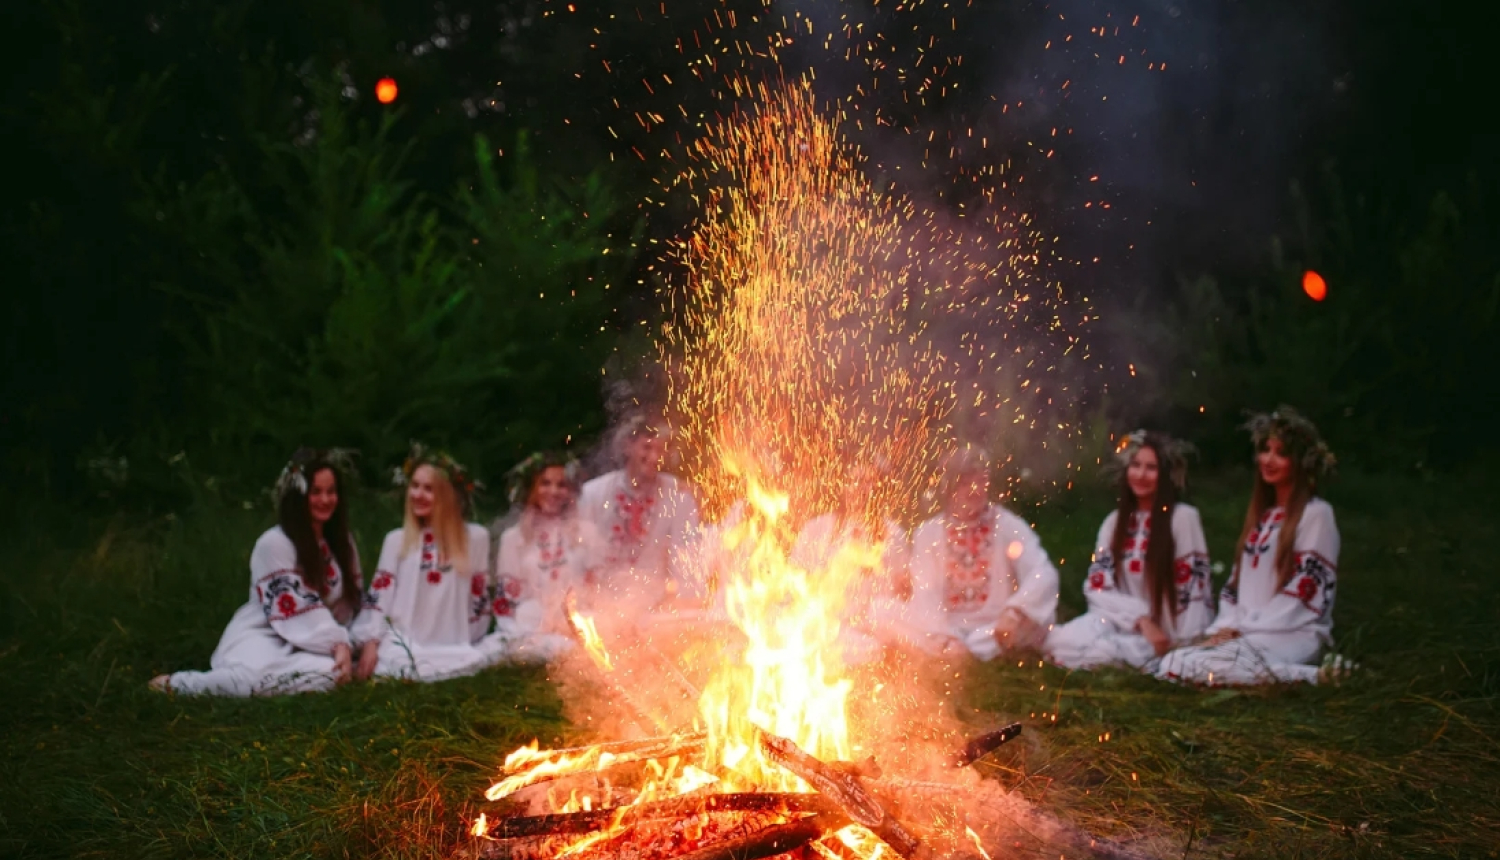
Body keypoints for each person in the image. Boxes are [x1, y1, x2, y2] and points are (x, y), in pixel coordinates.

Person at [150, 449, 372, 695]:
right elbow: (296, 607)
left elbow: (352, 603)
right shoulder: (274, 543)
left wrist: (360, 641)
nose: (325, 500)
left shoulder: (342, 543)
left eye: (331, 492)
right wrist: (337, 642)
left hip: (314, 645)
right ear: (298, 495)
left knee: (333, 675)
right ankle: (179, 685)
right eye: (316, 492)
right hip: (267, 634)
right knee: (248, 682)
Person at [1156, 407, 1340, 685]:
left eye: (1281, 453)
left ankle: (1313, 676)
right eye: (1265, 450)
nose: (1269, 459)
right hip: (1249, 633)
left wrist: (1245, 627)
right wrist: (1226, 627)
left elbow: (1307, 592)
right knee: (1173, 662)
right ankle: (1302, 675)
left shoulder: (1316, 514)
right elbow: (1235, 586)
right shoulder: (1263, 518)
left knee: (1194, 667)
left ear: (1301, 462)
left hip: (1293, 633)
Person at [1046, 431, 1213, 670]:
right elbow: (1097, 587)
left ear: (1165, 475)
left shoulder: (1183, 518)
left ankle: (1162, 659)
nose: (1141, 475)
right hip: (1122, 623)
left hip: (1164, 634)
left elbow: (1195, 590)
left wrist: (1188, 644)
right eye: (1135, 465)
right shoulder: (1114, 522)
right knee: (1060, 640)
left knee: (1101, 652)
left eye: (1151, 468)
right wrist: (1139, 619)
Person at [893, 446, 1059, 660]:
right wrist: (944, 634)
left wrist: (1015, 612)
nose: (975, 490)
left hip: (995, 628)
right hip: (946, 628)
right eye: (965, 484)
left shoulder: (1008, 525)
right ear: (948, 488)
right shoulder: (928, 532)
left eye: (981, 481)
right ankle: (952, 648)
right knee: (884, 611)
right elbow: (926, 593)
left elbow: (1043, 572)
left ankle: (957, 652)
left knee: (1038, 620)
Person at [352, 445, 494, 681]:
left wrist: (468, 636)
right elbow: (380, 598)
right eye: (414, 486)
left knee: (471, 660)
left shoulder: (474, 538)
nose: (418, 494)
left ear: (447, 495)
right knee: (397, 665)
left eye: (429, 489)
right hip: (405, 642)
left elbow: (478, 600)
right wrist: (371, 643)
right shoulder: (397, 540)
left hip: (453, 643)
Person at [485, 451, 604, 663]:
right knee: (523, 632)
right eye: (545, 483)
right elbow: (508, 604)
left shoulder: (587, 533)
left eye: (561, 485)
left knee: (603, 630)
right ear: (531, 489)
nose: (553, 491)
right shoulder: (513, 538)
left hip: (577, 621)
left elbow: (597, 590)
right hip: (533, 624)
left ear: (571, 491)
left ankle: (570, 647)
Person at [576, 415, 702, 617]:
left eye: (661, 450)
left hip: (654, 606)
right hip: (600, 604)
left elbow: (686, 554)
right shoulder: (592, 493)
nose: (654, 457)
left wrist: (685, 602)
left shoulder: (678, 495)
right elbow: (580, 554)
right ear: (628, 446)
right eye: (647, 447)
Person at [790, 462, 911, 665]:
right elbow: (794, 581)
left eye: (869, 483)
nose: (861, 489)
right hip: (822, 624)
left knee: (869, 649)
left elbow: (902, 592)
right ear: (844, 486)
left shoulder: (894, 536)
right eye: (855, 481)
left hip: (869, 632)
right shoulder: (817, 529)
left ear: (880, 491)